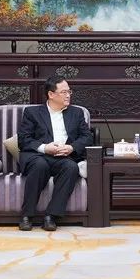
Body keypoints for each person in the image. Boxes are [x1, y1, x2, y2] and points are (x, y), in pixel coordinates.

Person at [17, 75, 93, 231]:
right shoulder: (32, 113)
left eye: (69, 91)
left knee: (71, 168)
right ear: (51, 94)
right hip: (38, 155)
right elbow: (23, 139)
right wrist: (45, 148)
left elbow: (87, 137)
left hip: (63, 157)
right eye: (64, 92)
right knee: (40, 165)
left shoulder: (77, 113)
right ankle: (27, 216)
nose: (68, 95)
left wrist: (71, 148)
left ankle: (51, 216)